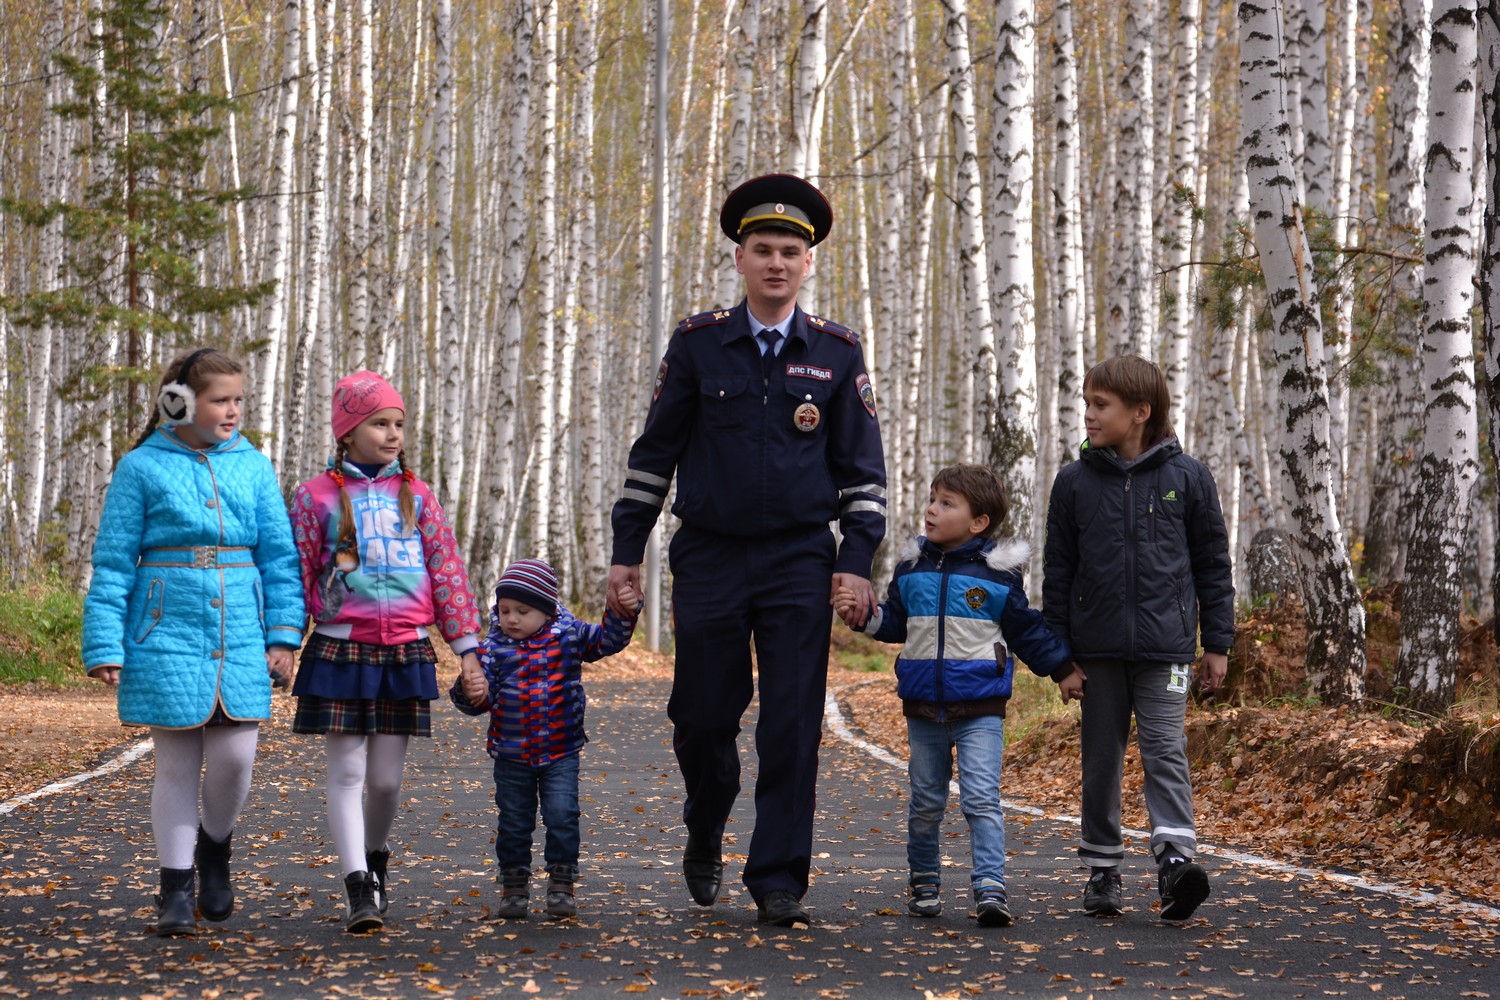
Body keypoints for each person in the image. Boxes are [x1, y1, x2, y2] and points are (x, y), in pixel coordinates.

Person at [605, 173, 887, 928]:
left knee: (791, 722)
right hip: (710, 556)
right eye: (762, 249)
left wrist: (854, 562)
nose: (776, 262)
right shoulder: (699, 345)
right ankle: (706, 822)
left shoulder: (835, 353)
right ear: (739, 259)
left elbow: (865, 476)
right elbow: (653, 454)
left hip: (800, 559)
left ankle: (778, 878)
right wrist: (624, 551)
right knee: (702, 716)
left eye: (790, 251)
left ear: (808, 262)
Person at [83, 348, 305, 937]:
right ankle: (175, 889)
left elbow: (280, 558)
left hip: (240, 632)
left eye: (238, 400)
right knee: (176, 766)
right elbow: (111, 563)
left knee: (235, 761)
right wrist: (105, 641)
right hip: (164, 630)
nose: (234, 411)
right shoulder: (141, 469)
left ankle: (216, 847)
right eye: (221, 400)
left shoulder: (253, 466)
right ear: (178, 402)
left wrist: (284, 636)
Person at [835, 464, 1071, 927]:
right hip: (923, 708)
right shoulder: (910, 570)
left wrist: (1063, 669)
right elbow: (895, 624)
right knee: (926, 802)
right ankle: (924, 881)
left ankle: (990, 888)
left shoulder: (998, 576)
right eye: (931, 498)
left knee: (981, 798)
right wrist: (862, 618)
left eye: (947, 503)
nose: (931, 509)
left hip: (981, 706)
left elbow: (1028, 633)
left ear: (978, 521)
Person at [289, 370, 482, 933]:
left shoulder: (417, 496)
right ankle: (357, 888)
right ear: (347, 432)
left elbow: (446, 573)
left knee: (386, 782)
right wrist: (281, 641)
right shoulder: (313, 496)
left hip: (405, 651)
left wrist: (467, 651)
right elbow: (297, 573)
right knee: (347, 771)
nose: (393, 434)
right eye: (380, 423)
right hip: (339, 650)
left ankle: (375, 861)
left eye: (399, 423)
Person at [1042, 354, 1234, 921]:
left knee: (1165, 751)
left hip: (1167, 650)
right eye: (1087, 403)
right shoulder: (1073, 483)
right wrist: (1059, 659)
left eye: (1101, 405)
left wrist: (1217, 643)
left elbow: (1212, 565)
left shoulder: (1189, 478)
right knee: (1101, 758)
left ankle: (1176, 861)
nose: (1089, 415)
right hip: (1095, 653)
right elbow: (1058, 572)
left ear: (1141, 412)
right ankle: (1102, 869)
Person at [448, 559, 641, 920]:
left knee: (562, 815)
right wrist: (469, 690)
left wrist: (624, 613)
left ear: (547, 610)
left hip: (561, 749)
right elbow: (480, 700)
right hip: (512, 753)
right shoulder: (492, 648)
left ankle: (562, 882)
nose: (512, 619)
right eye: (504, 610)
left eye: (523, 611)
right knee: (514, 821)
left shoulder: (569, 634)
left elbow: (607, 640)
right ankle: (514, 885)